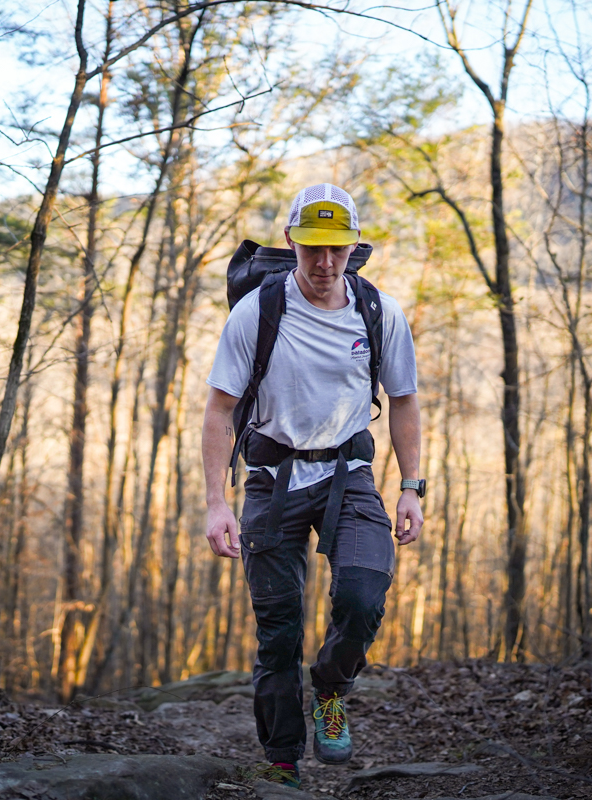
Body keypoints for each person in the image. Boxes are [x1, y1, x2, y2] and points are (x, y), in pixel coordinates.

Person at [202, 183, 424, 789]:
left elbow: (403, 401)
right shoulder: (258, 311)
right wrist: (217, 502)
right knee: (278, 631)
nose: (325, 264)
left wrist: (412, 485)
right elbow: (219, 410)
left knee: (362, 595)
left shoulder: (380, 312)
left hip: (349, 476)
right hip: (272, 482)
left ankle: (330, 686)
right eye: (313, 249)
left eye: (338, 249)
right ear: (291, 242)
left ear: (357, 246)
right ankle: (282, 762)